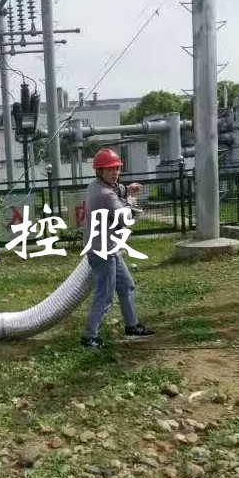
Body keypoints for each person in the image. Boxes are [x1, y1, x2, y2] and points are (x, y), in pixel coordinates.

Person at [80, 148, 154, 348]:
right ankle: (89, 336)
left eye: (117, 168)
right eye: (110, 169)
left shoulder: (95, 186)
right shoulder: (105, 194)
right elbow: (126, 219)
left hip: (109, 249)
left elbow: (116, 189)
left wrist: (128, 189)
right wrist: (131, 202)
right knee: (104, 295)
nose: (115, 173)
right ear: (100, 171)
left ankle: (132, 325)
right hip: (103, 252)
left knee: (126, 285)